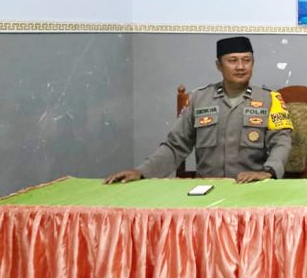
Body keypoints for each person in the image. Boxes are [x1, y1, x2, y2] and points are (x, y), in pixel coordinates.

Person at [105, 36, 293, 184]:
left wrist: (268, 172)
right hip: (207, 188)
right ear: (219, 65)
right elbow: (175, 146)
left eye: (247, 60)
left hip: (251, 187)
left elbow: (281, 142)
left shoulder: (270, 99)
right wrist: (141, 172)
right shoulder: (199, 99)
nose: (241, 67)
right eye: (232, 60)